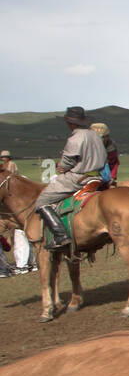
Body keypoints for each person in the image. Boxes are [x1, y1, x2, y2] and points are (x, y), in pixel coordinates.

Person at [31, 107, 107, 250]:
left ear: (70, 122)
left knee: (42, 201)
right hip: (97, 175)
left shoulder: (76, 137)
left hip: (78, 177)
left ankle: (61, 236)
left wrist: (62, 167)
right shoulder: (95, 135)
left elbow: (68, 162)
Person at [1, 151, 35, 273]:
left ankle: (23, 265)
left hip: (17, 210)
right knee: (23, 236)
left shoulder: (12, 173)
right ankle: (30, 263)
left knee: (21, 236)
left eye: (5, 157)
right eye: (2, 157)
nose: (3, 158)